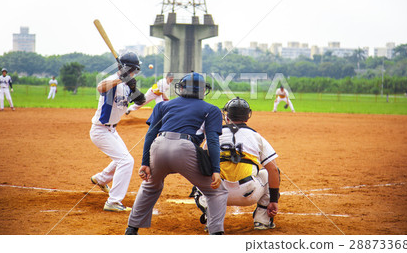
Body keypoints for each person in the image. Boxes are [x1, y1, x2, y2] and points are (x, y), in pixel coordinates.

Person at [125, 72, 228, 235]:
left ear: (181, 88)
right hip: (184, 149)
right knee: (216, 191)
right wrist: (215, 170)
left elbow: (151, 135)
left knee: (150, 186)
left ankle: (131, 229)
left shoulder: (162, 106)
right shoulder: (211, 109)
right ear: (203, 90)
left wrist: (145, 163)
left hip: (158, 147)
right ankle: (216, 234)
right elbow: (213, 142)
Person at [193, 97, 280, 230]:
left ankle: (210, 214)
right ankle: (262, 220)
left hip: (218, 193)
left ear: (227, 116)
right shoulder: (256, 136)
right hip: (249, 194)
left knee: (201, 173)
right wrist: (274, 200)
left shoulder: (215, 135)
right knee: (270, 172)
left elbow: (202, 164)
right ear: (247, 117)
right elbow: (273, 170)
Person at [90, 52, 146, 212]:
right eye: (134, 70)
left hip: (112, 130)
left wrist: (134, 87)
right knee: (126, 161)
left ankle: (101, 179)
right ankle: (113, 202)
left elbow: (141, 101)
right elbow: (100, 87)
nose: (135, 73)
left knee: (122, 157)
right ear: (130, 68)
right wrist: (121, 79)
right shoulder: (112, 81)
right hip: (100, 130)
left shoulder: (127, 84)